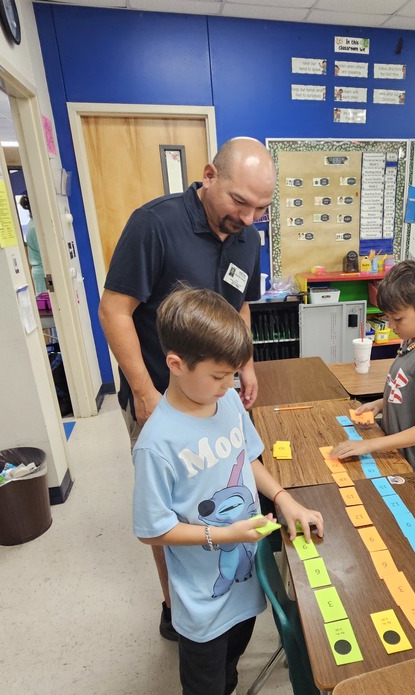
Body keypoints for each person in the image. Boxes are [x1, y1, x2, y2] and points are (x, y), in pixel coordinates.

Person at [132, 287, 324, 695]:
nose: (228, 385)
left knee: (233, 654)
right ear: (175, 364)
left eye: (233, 374)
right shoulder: (157, 443)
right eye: (218, 376)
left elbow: (248, 458)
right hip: (201, 598)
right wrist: (224, 535)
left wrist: (283, 499)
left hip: (244, 575)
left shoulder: (230, 401)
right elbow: (152, 530)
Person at [99, 137, 275, 641]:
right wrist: (145, 392)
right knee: (172, 506)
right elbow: (115, 310)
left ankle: (230, 586)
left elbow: (241, 306)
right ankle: (175, 605)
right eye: (239, 202)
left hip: (217, 393)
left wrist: (247, 366)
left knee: (224, 477)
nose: (247, 217)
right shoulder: (154, 224)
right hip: (162, 393)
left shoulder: (248, 237)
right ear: (208, 176)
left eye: (261, 208)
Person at [330, 260, 415, 485]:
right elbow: (408, 390)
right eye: (388, 318)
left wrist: (368, 445)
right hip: (397, 455)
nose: (392, 326)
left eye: (398, 319)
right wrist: (381, 403)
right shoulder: (412, 341)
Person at [20, 195, 45, 296]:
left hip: (41, 271)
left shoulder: (35, 224)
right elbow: (43, 252)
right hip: (41, 272)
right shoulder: (34, 227)